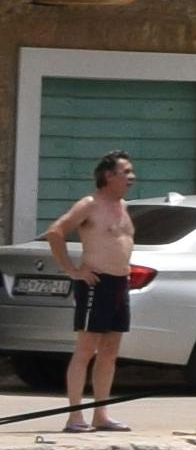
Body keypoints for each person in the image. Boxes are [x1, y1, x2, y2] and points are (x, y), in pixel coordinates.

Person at [45, 154, 143, 431]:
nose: (132, 177)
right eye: (126, 171)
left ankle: (101, 414)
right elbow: (55, 232)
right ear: (109, 176)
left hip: (120, 283)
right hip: (96, 283)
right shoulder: (90, 204)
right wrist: (72, 270)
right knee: (86, 349)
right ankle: (75, 416)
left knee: (109, 351)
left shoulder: (123, 206)